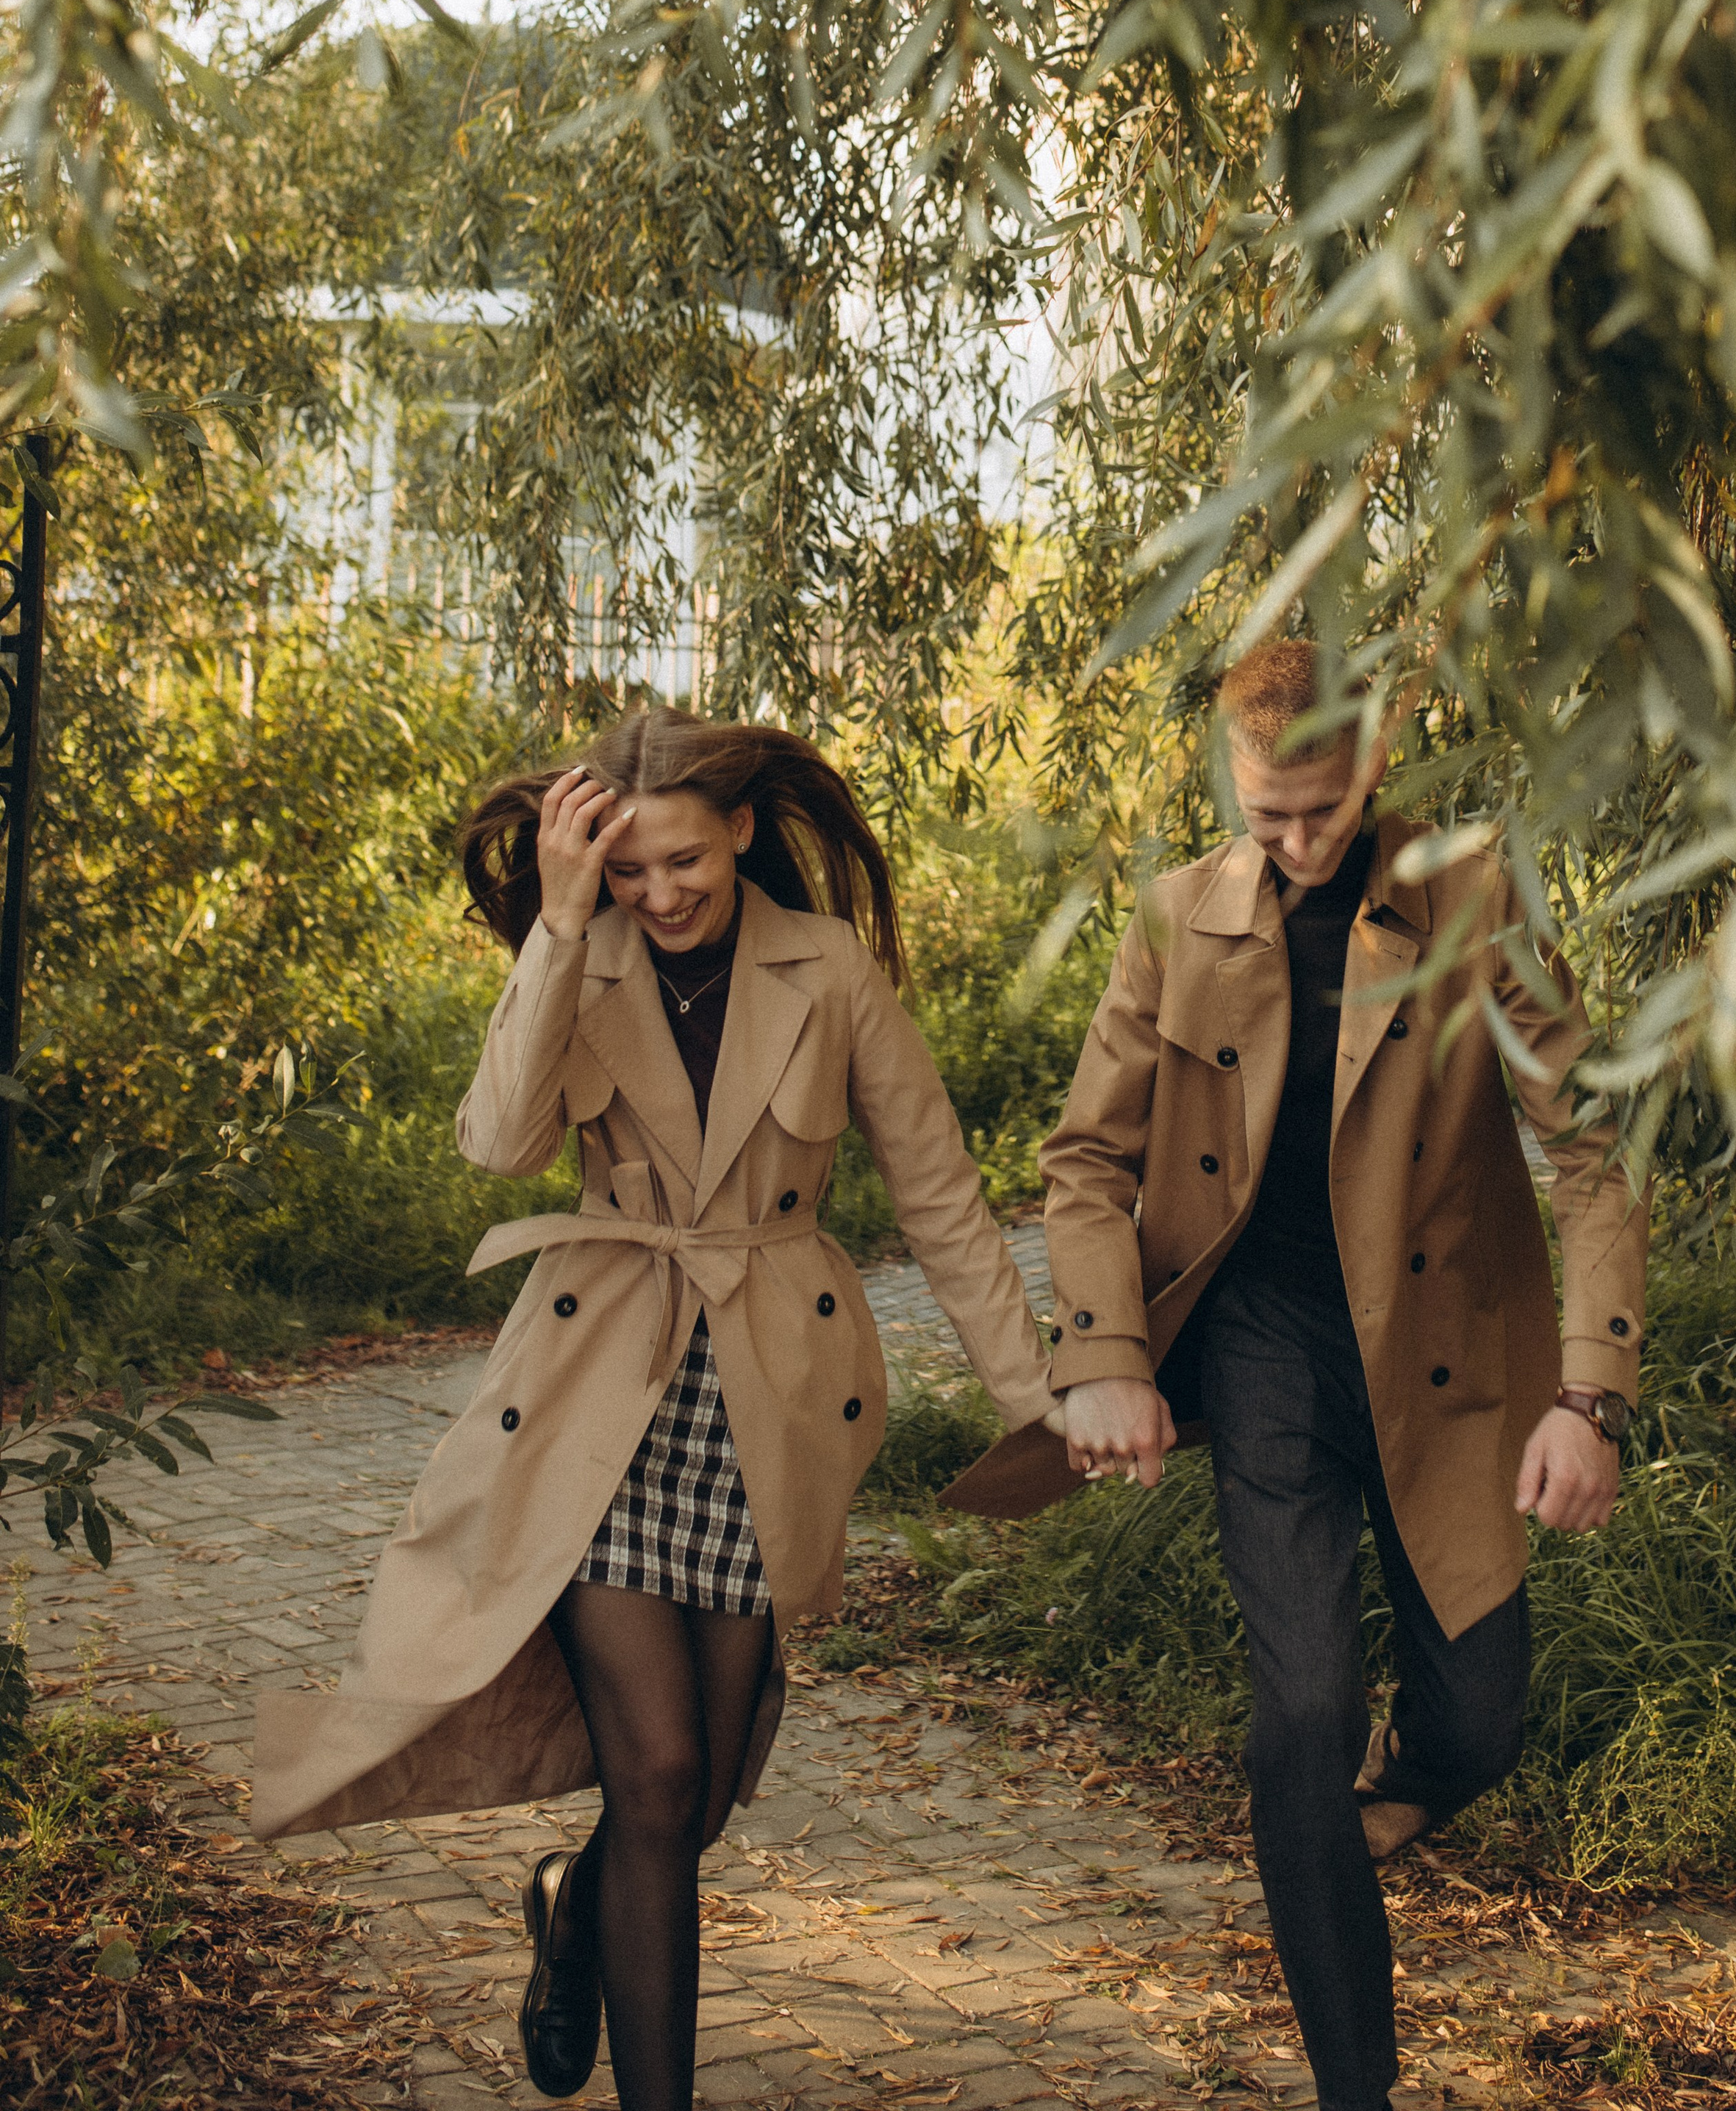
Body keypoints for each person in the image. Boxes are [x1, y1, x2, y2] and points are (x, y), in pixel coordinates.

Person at [252, 706, 1058, 2109]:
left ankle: (575, 1912)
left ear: (741, 830)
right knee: (663, 1764)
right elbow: (500, 1141)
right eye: (630, 870)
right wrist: (561, 925)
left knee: (689, 1800)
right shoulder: (586, 950)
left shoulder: (830, 970)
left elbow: (940, 1192)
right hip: (597, 1399)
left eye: (682, 861)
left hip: (769, 1394)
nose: (662, 893)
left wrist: (1034, 1397)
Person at [946, 641, 1646, 2111]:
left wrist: (1587, 1395)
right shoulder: (1175, 918)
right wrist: (1105, 1358)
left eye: (1317, 811)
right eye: (1264, 813)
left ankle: (1359, 1812)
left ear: (1377, 757)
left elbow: (1590, 1150)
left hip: (1443, 1353)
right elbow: (1084, 1160)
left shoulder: (1469, 894)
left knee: (1477, 1721)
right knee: (1301, 1714)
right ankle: (1355, 2087)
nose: (1293, 842)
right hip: (1265, 1350)